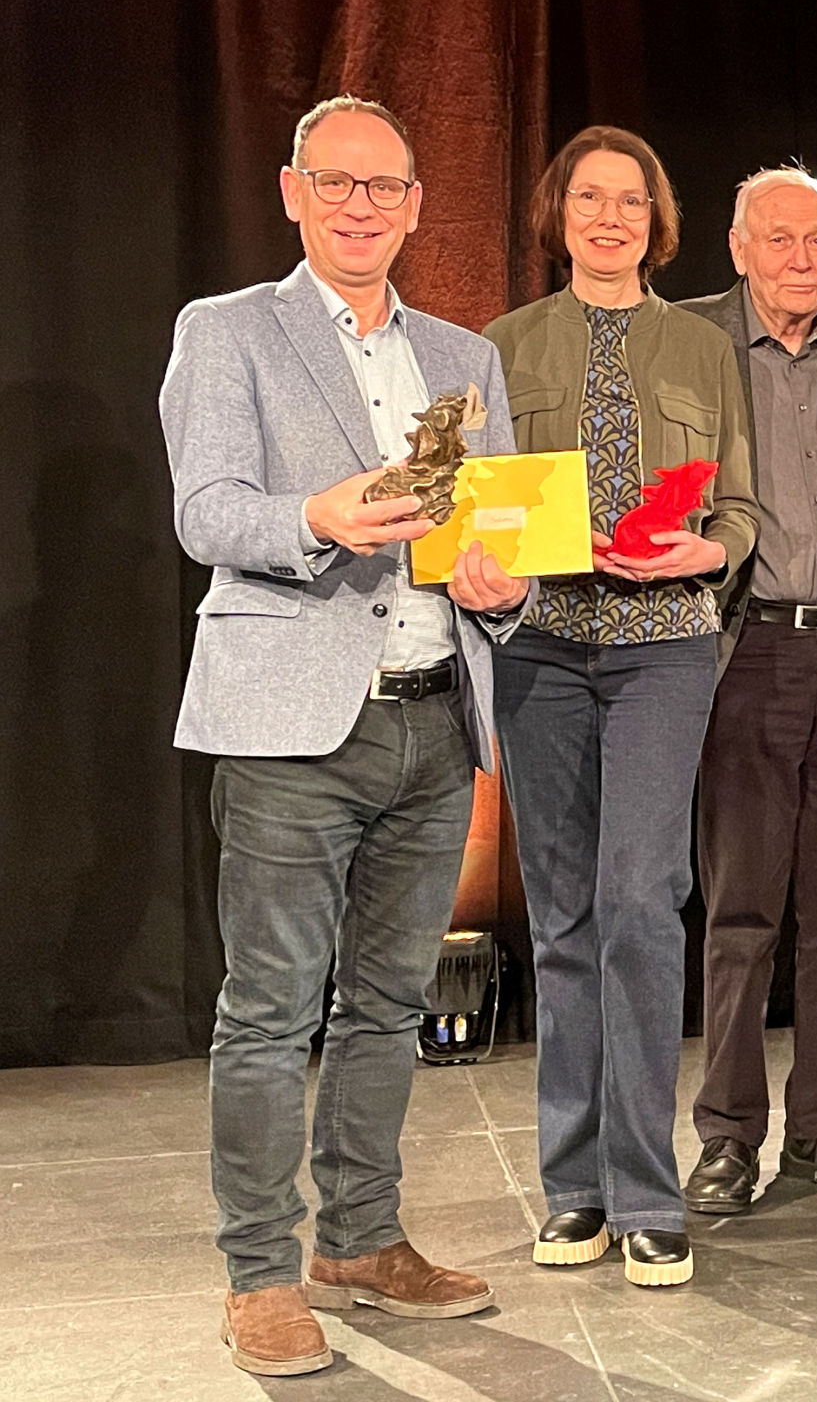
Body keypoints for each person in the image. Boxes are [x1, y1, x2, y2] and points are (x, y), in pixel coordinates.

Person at [161, 95, 526, 1376]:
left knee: (385, 1006)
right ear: (292, 191)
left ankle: (360, 1237)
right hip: (289, 726)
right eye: (338, 182)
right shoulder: (227, 332)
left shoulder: (465, 357)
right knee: (267, 1011)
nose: (362, 204)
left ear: (421, 205)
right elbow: (206, 512)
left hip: (437, 721)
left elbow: (501, 539)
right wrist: (316, 512)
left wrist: (506, 584)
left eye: (386, 186)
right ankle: (259, 1270)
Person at [482, 126, 756, 1288]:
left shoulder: (702, 346)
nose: (609, 219)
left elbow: (741, 508)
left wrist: (706, 546)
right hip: (541, 649)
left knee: (640, 902)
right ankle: (574, 1189)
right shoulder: (497, 347)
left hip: (665, 650)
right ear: (559, 215)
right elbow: (479, 510)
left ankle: (649, 1193)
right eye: (589, 200)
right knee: (563, 919)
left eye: (629, 201)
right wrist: (483, 565)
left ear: (657, 217)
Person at [676, 167, 817, 1214]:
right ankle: (727, 1137)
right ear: (737, 247)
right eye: (780, 240)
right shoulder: (687, 339)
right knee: (741, 909)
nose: (800, 260)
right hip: (746, 649)